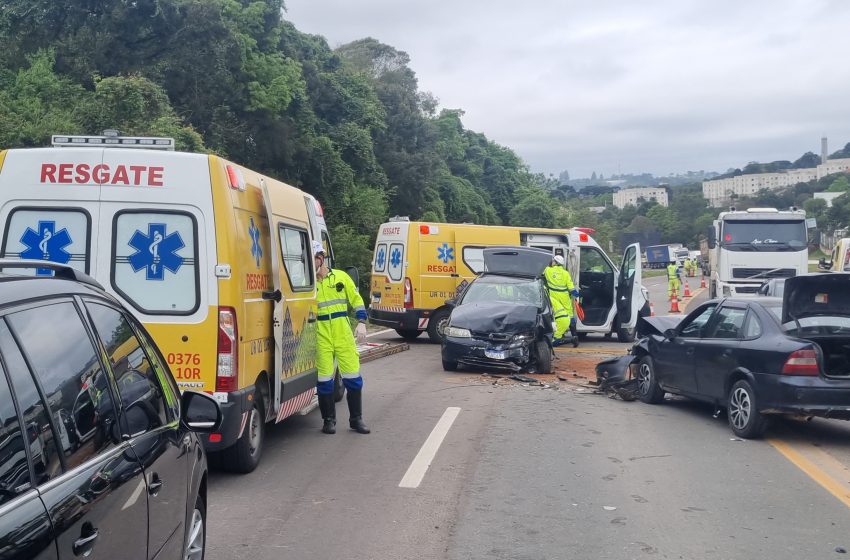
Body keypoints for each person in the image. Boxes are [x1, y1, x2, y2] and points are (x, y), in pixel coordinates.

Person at [313, 240, 370, 435]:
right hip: (321, 334)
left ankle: (356, 419)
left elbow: (356, 300)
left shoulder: (341, 277)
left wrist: (361, 321)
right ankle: (328, 421)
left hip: (343, 333)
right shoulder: (307, 283)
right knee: (324, 379)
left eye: (311, 260)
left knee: (352, 376)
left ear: (320, 259)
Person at [544, 255, 580, 348]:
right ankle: (575, 337)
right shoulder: (565, 273)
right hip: (564, 297)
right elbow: (571, 287)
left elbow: (540, 274)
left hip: (554, 297)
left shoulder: (548, 270)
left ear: (555, 262)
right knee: (570, 316)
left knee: (556, 316)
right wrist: (576, 295)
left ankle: (559, 335)